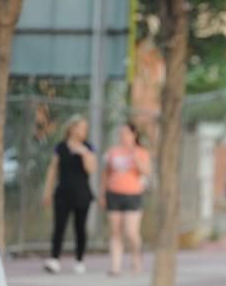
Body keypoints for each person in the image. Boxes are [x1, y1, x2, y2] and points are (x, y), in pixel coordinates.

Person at [42, 114, 97, 274]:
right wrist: (47, 191)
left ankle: (79, 260)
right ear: (72, 128)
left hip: (82, 194)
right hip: (63, 193)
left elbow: (91, 169)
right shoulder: (61, 147)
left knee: (80, 228)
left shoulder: (88, 147)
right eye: (81, 127)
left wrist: (84, 153)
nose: (84, 131)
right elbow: (52, 170)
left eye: (86, 128)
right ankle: (54, 259)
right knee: (59, 226)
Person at [98, 122, 150, 275]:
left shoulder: (141, 152)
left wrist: (135, 156)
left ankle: (136, 259)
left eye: (127, 133)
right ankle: (116, 266)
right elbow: (106, 173)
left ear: (134, 135)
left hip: (133, 194)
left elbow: (146, 172)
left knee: (131, 232)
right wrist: (102, 193)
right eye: (121, 133)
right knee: (115, 232)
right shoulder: (113, 152)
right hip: (114, 194)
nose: (123, 136)